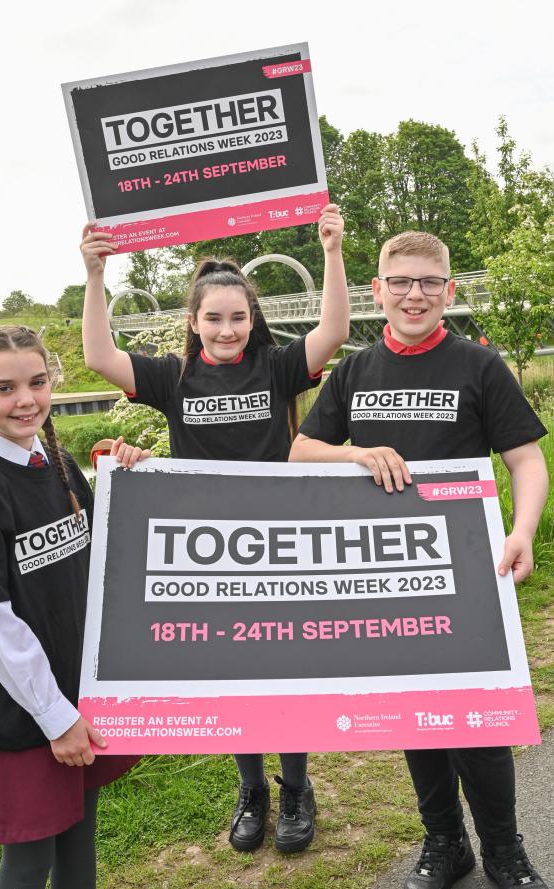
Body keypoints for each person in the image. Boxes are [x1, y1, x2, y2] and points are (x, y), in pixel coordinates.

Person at [80, 205, 350, 853]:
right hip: (207, 553)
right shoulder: (173, 376)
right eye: (214, 318)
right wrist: (95, 275)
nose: (227, 329)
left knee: (285, 672)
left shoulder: (279, 367)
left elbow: (335, 329)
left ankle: (295, 788)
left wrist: (333, 251)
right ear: (193, 322)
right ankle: (251, 789)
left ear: (253, 319)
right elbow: (98, 355)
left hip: (280, 542)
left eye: (238, 317)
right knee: (232, 675)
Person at [289, 231, 549, 889]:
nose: (414, 293)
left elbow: (525, 457)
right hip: (386, 578)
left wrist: (522, 531)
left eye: (429, 282)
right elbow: (301, 452)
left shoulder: (479, 366)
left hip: (468, 574)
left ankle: (505, 849)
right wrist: (355, 452)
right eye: (400, 280)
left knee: (478, 720)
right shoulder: (355, 371)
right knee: (417, 714)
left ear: (448, 291)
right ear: (377, 291)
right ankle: (445, 844)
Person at [0, 325, 148, 889]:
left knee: (79, 831)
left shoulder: (54, 460)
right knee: (31, 859)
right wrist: (57, 716)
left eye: (37, 382)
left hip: (78, 689)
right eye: (4, 388)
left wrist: (132, 482)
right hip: (27, 709)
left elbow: (96, 549)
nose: (26, 399)